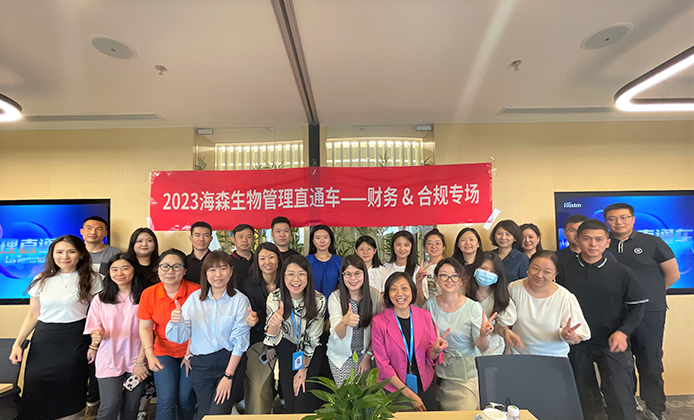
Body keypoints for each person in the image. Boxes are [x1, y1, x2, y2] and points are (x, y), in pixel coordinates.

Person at [556, 219, 648, 420]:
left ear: (607, 243)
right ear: (577, 240)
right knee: (582, 395)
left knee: (619, 393)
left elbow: (637, 307)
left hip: (612, 339)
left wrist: (623, 332)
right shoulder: (562, 270)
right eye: (587, 239)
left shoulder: (622, 272)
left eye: (599, 239)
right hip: (577, 341)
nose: (593, 244)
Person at [10, 235, 104, 420]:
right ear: (52, 255)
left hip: (75, 338)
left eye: (71, 251)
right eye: (59, 252)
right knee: (37, 387)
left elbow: (98, 315)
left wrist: (94, 344)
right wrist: (18, 343)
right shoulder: (41, 279)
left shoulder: (92, 278)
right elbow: (33, 315)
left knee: (69, 388)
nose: (64, 257)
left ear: (81, 254)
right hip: (44, 340)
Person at [604, 203, 680, 420]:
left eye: (624, 217)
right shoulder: (603, 244)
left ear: (633, 219)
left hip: (650, 312)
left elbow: (673, 274)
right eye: (612, 218)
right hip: (616, 313)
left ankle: (656, 407)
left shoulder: (653, 242)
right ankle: (628, 402)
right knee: (620, 362)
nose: (619, 222)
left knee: (650, 360)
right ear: (606, 222)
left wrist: (648, 295)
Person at [166, 251, 251, 417]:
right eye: (212, 270)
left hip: (229, 362)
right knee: (205, 414)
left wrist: (228, 376)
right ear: (205, 273)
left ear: (231, 271)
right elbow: (180, 337)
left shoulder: (240, 300)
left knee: (217, 414)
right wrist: (176, 322)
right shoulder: (194, 299)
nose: (218, 274)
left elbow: (240, 342)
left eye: (223, 269)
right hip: (201, 366)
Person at [137, 249, 200, 420]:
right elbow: (145, 328)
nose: (170, 271)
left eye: (176, 266)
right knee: (166, 399)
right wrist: (149, 355)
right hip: (163, 351)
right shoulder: (149, 294)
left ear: (185, 270)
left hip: (191, 352)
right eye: (165, 266)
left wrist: (189, 354)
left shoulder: (196, 292)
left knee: (186, 398)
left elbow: (201, 328)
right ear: (158, 269)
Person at [84, 253, 148, 420]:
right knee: (110, 405)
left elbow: (150, 332)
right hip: (109, 359)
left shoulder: (145, 297)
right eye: (114, 269)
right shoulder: (101, 298)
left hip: (137, 359)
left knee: (131, 408)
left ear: (134, 270)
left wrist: (141, 362)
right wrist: (95, 339)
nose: (119, 273)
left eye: (125, 268)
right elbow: (94, 328)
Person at [371, 272, 445, 411]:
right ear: (387, 294)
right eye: (393, 289)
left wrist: (435, 351)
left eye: (404, 288)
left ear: (412, 290)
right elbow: (383, 365)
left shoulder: (424, 316)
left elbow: (430, 355)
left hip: (424, 382)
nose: (400, 293)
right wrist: (409, 395)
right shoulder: (379, 322)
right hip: (395, 387)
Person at [424, 258, 490, 411]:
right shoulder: (430, 305)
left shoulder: (473, 307)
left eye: (455, 276)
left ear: (461, 280)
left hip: (465, 376)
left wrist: (483, 335)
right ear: (436, 279)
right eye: (444, 275)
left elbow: (483, 347)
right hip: (439, 374)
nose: (449, 280)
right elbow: (426, 340)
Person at [263, 254, 327, 413]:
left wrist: (303, 369)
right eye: (290, 274)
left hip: (311, 350)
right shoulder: (274, 298)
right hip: (286, 348)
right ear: (283, 277)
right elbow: (272, 338)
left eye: (301, 274)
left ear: (308, 277)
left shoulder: (318, 300)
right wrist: (273, 324)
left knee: (303, 396)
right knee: (290, 399)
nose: (296, 279)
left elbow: (313, 338)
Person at [504, 251, 590, 357]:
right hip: (520, 355)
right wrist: (505, 333)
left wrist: (570, 337)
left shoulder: (565, 297)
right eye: (535, 268)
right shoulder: (514, 288)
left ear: (555, 275)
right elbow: (504, 324)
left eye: (547, 272)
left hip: (554, 357)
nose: (539, 275)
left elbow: (578, 337)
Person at [81, 216, 120, 419]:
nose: (93, 232)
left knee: (99, 359)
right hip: (76, 315)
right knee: (81, 359)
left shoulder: (114, 253)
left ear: (105, 233)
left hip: (105, 316)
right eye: (89, 228)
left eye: (99, 229)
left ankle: (95, 402)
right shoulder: (75, 253)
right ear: (82, 231)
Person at [236, 242, 282, 414]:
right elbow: (247, 315)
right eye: (262, 258)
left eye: (271, 257)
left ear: (278, 259)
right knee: (257, 387)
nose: (267, 262)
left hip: (287, 339)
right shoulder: (247, 285)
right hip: (258, 340)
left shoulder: (288, 281)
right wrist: (253, 321)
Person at [327, 255, 382, 386]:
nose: (353, 278)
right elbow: (338, 335)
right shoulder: (335, 297)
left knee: (369, 394)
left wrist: (368, 356)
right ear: (342, 276)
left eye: (357, 273)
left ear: (364, 274)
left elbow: (378, 332)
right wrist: (344, 322)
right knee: (348, 396)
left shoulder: (374, 295)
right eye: (348, 274)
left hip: (368, 354)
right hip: (341, 357)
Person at [468, 252, 517, 355]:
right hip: (466, 349)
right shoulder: (463, 291)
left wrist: (505, 332)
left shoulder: (501, 298)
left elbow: (501, 327)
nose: (487, 273)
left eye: (492, 271)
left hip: (492, 351)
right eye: (483, 268)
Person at [306, 225, 343, 298]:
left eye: (325, 237)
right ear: (313, 241)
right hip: (311, 301)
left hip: (334, 302)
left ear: (330, 239)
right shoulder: (306, 261)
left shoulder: (339, 261)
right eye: (318, 238)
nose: (322, 241)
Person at [382, 230, 420, 299]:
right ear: (393, 246)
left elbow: (421, 301)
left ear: (412, 247)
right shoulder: (384, 268)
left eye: (406, 245)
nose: (402, 248)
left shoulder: (418, 270)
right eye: (398, 245)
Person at [415, 228, 446, 301]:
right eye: (429, 243)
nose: (433, 246)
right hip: (425, 306)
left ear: (443, 246)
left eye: (437, 243)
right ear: (424, 247)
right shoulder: (421, 268)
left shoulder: (449, 265)